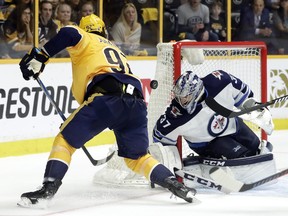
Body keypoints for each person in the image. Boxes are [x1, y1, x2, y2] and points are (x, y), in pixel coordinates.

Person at [17, 14, 196, 207]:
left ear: (85, 29)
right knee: (137, 158)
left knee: (65, 140)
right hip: (135, 104)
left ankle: (47, 190)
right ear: (104, 31)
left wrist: (40, 56)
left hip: (106, 100)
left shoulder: (85, 38)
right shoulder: (112, 47)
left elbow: (68, 32)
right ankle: (173, 184)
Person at [152, 70, 276, 188]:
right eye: (179, 97)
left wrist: (255, 108)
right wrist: (165, 163)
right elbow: (159, 136)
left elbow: (244, 95)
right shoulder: (176, 116)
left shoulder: (220, 81)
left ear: (197, 91)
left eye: (186, 97)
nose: (181, 101)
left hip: (233, 126)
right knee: (243, 157)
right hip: (208, 143)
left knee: (256, 146)